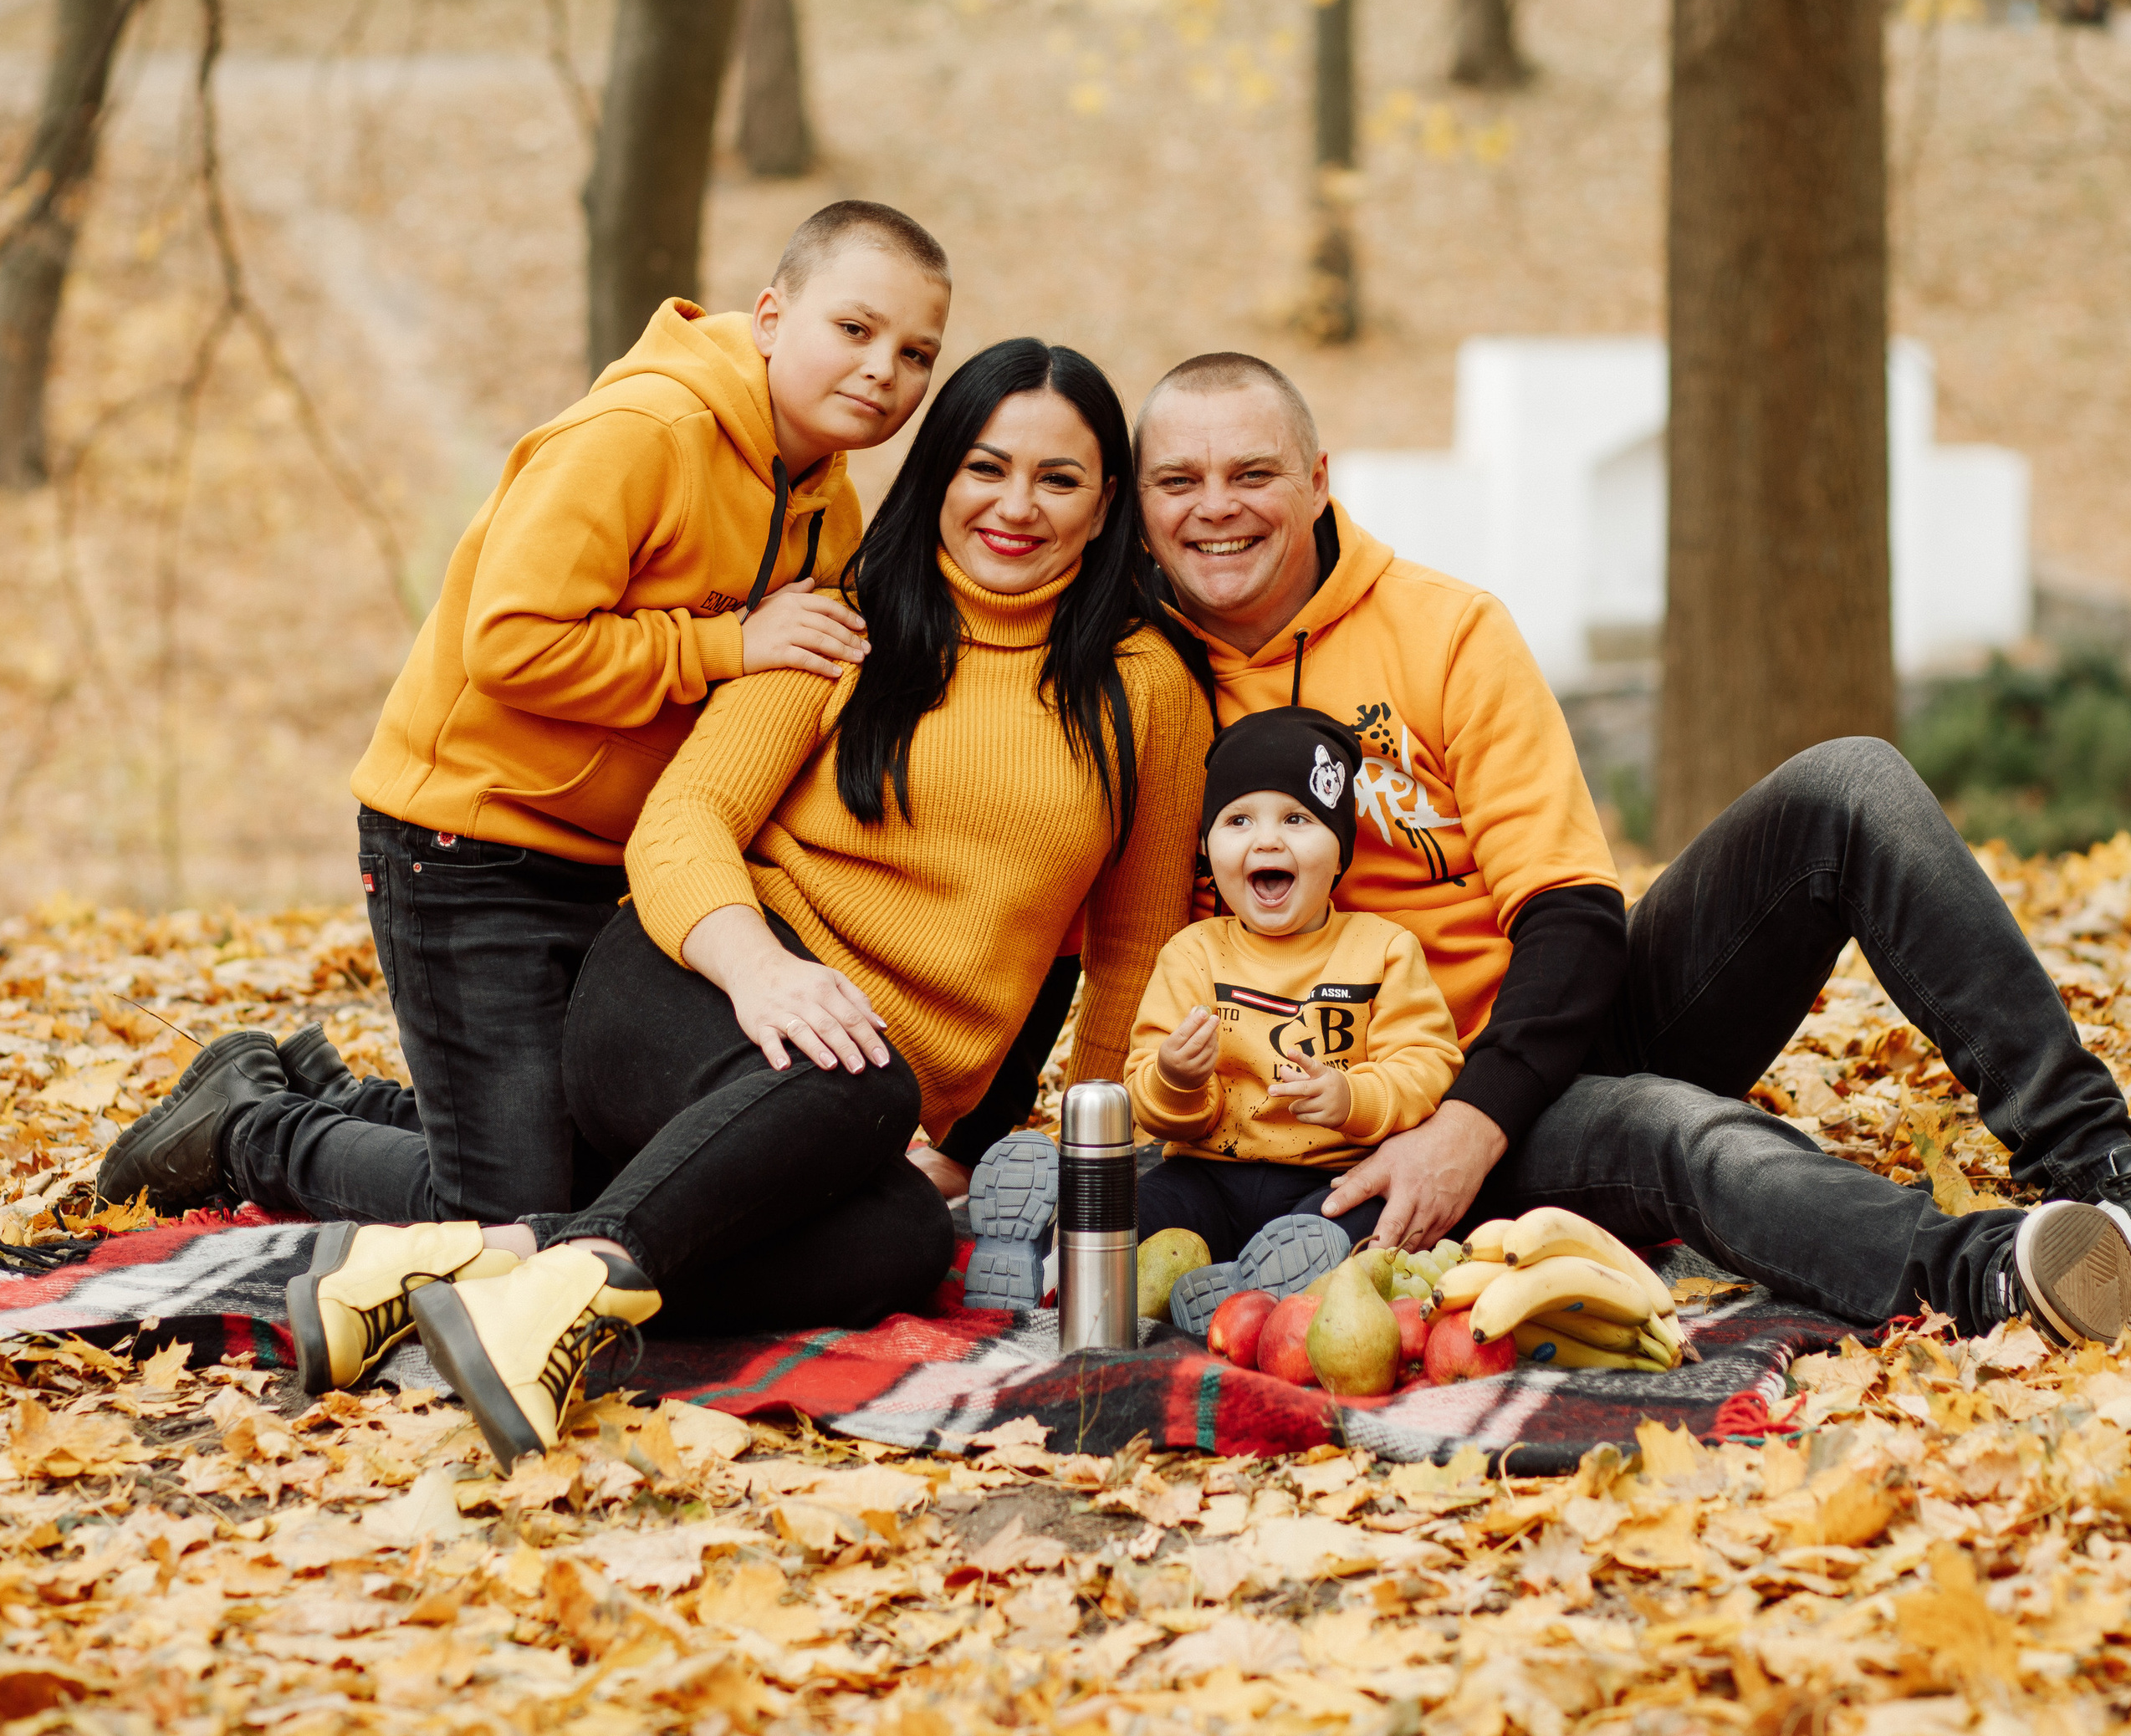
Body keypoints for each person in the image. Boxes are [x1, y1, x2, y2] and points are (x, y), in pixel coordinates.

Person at [290, 339, 1210, 1464]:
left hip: (840, 1108)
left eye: (1058, 479)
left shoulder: (1145, 686)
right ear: (939, 473)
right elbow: (682, 825)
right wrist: (763, 969)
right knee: (866, 1082)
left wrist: (1085, 1175)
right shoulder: (840, 625)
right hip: (683, 996)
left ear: (1106, 501)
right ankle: (546, 1298)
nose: (1015, 505)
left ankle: (488, 1272)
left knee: (900, 1243)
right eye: (985, 467)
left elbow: (1133, 947)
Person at [1126, 348, 2131, 1350]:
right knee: (1671, 1131)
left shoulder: (1445, 630)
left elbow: (1569, 913)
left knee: (1848, 784)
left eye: (1251, 473)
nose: (1215, 506)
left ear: (1316, 481)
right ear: (1141, 503)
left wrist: (1473, 1118)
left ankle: (2103, 1173)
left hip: (1524, 1054)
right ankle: (1998, 1274)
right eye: (1179, 480)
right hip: (1344, 1133)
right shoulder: (1137, 681)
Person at [97, 202, 952, 1232]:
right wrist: (719, 645)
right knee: (503, 1215)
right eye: (854, 330)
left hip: (619, 869)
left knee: (609, 1165)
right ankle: (246, 1128)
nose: (883, 372)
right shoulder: (642, 434)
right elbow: (509, 645)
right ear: (771, 317)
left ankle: (335, 1096)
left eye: (915, 354)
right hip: (468, 843)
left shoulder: (830, 502)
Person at [1126, 706, 1464, 1321]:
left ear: (1340, 853)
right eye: (1238, 820)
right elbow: (1148, 1095)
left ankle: (1254, 1290)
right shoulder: (1193, 953)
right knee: (1137, 1207)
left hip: (1329, 1181)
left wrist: (1353, 1097)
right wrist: (1175, 1079)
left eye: (1297, 818)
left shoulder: (1382, 949)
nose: (1267, 839)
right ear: (1206, 847)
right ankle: (1060, 1250)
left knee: (1366, 1220)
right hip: (1208, 1174)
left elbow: (1428, 1061)